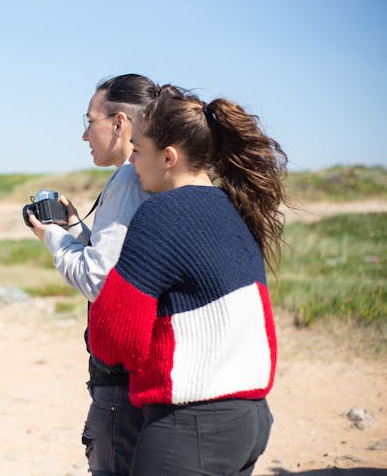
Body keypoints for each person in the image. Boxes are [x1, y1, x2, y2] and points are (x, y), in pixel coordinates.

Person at [87, 85, 289, 475]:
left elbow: (113, 339)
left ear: (169, 157)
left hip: (191, 425)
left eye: (139, 149)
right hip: (251, 418)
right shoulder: (234, 208)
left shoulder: (162, 214)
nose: (132, 160)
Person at [26, 74, 155, 475]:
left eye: (88, 120)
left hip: (121, 375)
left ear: (119, 123)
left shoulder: (129, 180)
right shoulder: (151, 175)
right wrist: (78, 230)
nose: (84, 135)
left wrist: (53, 238)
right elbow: (125, 260)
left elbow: (100, 281)